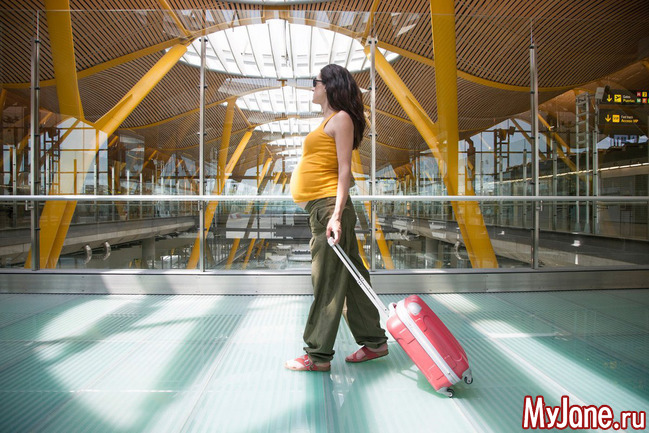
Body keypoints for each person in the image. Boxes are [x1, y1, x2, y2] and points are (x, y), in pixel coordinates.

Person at [285, 64, 388, 372]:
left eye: (315, 82)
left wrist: (337, 216)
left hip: (330, 208)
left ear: (329, 85)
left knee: (327, 280)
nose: (312, 87)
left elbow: (345, 169)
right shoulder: (329, 120)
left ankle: (317, 355)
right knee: (353, 279)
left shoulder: (341, 118)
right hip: (324, 208)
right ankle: (375, 342)